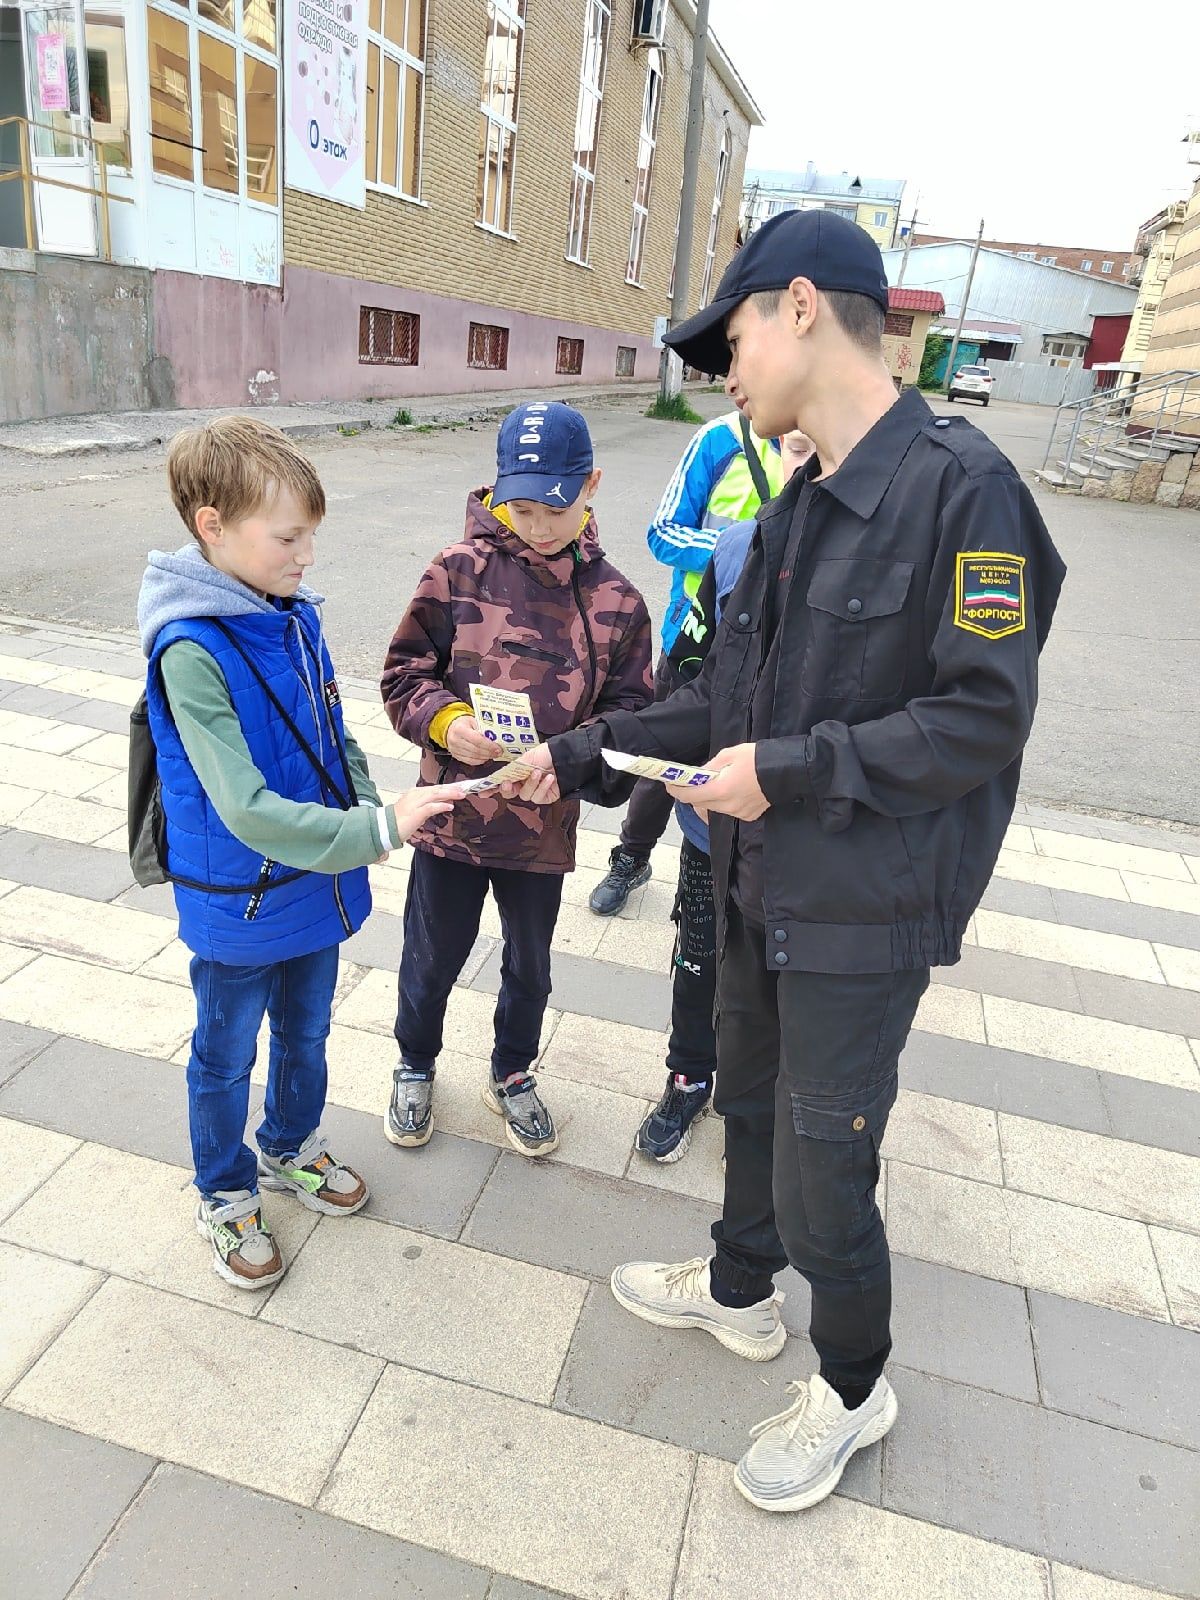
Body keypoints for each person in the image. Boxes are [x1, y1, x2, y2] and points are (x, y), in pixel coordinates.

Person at [514, 210, 1066, 1512]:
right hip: (761, 886)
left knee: (827, 1164)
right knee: (747, 1105)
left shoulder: (960, 486)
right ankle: (739, 1291)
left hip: (863, 912)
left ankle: (857, 1386)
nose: (723, 369)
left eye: (735, 334)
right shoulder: (797, 500)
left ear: (803, 306)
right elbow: (726, 701)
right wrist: (587, 749)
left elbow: (983, 718)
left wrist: (793, 768)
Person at [138, 416, 465, 1291]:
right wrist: (378, 829)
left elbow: (333, 733)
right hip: (240, 895)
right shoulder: (191, 646)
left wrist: (365, 798)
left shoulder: (293, 617)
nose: (307, 555)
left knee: (308, 1030)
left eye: (310, 535)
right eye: (288, 537)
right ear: (213, 527)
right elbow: (244, 809)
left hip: (312, 882)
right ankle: (224, 1188)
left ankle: (289, 1145)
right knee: (224, 1050)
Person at [380, 401, 653, 1157]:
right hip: (450, 818)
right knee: (430, 953)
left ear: (592, 485)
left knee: (529, 964)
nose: (537, 526)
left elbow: (632, 720)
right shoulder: (454, 572)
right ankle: (415, 1062)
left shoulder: (619, 604)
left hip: (540, 829)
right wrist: (442, 722)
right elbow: (404, 673)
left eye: (555, 508)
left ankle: (512, 1072)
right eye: (521, 506)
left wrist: (570, 769)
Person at [636, 428, 814, 1163]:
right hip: (718, 827)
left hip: (810, 843)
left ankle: (772, 1100)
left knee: (783, 980)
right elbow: (695, 680)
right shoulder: (738, 548)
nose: (803, 468)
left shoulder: (891, 555)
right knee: (699, 953)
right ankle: (687, 1074)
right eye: (794, 450)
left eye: (820, 449)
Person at [588, 406, 784, 917]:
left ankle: (730, 888)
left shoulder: (836, 442)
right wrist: (746, 549)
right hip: (698, 639)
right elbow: (663, 533)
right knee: (664, 760)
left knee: (754, 771)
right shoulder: (720, 440)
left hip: (777, 655)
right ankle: (631, 857)